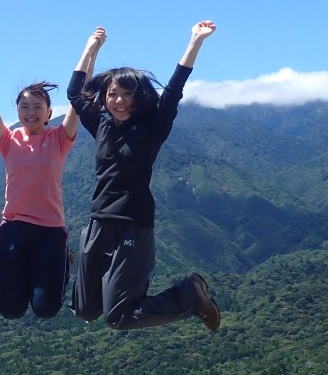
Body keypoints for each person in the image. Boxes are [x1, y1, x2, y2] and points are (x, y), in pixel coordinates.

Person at [66, 21, 221, 332]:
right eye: (113, 94)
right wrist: (90, 48)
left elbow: (173, 91)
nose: (119, 100)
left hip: (133, 224)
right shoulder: (101, 125)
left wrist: (195, 42)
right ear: (104, 97)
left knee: (119, 317)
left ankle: (190, 295)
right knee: (85, 310)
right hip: (97, 222)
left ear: (139, 97)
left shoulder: (152, 127)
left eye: (127, 94)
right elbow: (74, 92)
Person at [0, 34, 80, 319]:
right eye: (24, 106)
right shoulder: (8, 141)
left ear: (49, 113)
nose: (31, 112)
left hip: (50, 231)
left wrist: (90, 51)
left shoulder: (59, 139)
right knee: (10, 310)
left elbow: (78, 98)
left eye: (38, 107)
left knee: (46, 309)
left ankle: (63, 260)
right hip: (14, 228)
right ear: (17, 111)